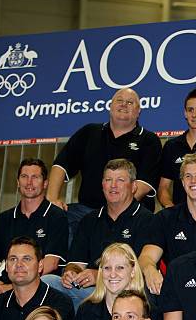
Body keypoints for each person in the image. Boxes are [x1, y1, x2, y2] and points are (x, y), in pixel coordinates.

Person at [42, 159, 154, 310]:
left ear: (133, 187)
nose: (113, 185)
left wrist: (100, 276)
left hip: (127, 292)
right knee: (48, 282)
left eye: (120, 180)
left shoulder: (147, 220)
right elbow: (76, 263)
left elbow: (140, 271)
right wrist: (71, 273)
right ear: (102, 185)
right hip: (91, 292)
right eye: (108, 180)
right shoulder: (89, 220)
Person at [47, 88, 161, 229]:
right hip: (85, 212)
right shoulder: (89, 132)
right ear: (110, 106)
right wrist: (52, 199)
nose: (124, 104)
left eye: (130, 102)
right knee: (56, 221)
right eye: (119, 100)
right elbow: (61, 165)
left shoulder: (149, 140)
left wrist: (113, 210)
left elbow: (144, 185)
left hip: (128, 214)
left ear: (138, 112)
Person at [139, 152, 196, 295]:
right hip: (175, 289)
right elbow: (146, 257)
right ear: (182, 182)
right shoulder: (165, 218)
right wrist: (150, 270)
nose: (193, 181)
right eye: (188, 176)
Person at [0, 158, 67, 291]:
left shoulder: (56, 217)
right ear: (18, 182)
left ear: (45, 183)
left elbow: (51, 263)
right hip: (6, 286)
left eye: (35, 177)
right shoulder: (2, 220)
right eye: (24, 177)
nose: (29, 182)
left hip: (44, 286)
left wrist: (13, 288)